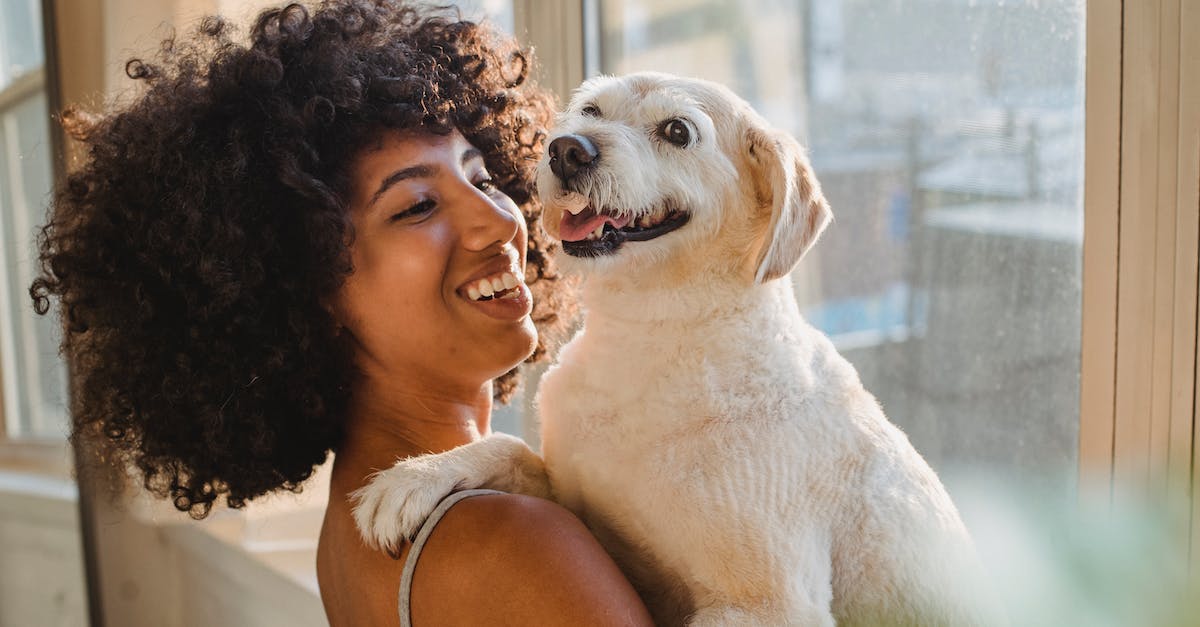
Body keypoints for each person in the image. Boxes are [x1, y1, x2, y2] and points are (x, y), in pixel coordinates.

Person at [31, 1, 654, 625]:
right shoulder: (510, 544)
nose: (498, 220)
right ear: (305, 295)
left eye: (484, 177)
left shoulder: (357, 521)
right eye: (416, 208)